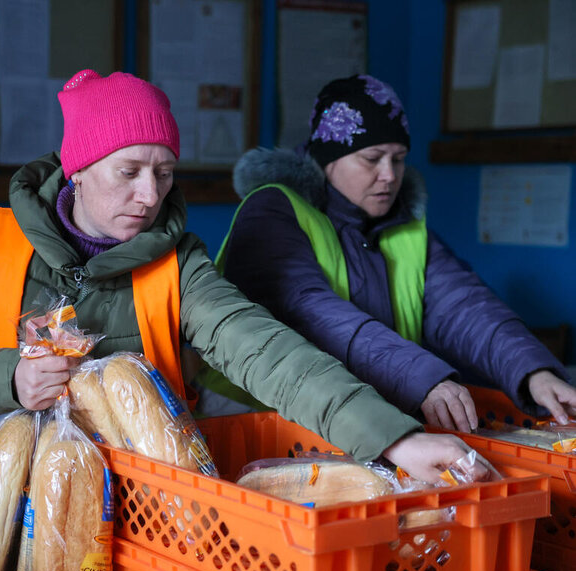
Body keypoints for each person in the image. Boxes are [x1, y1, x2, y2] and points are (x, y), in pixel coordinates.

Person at [0, 69, 493, 571]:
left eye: (164, 173)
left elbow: (265, 350)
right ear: (77, 169)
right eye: (128, 172)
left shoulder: (177, 262)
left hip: (123, 560)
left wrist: (393, 439)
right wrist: (8, 376)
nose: (150, 195)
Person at [213, 73, 575, 433]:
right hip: (253, 418)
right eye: (372, 158)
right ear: (327, 159)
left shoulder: (405, 227)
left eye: (398, 159)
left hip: (362, 418)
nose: (389, 175)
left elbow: (463, 307)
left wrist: (532, 371)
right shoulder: (272, 213)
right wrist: (420, 378)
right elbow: (312, 315)